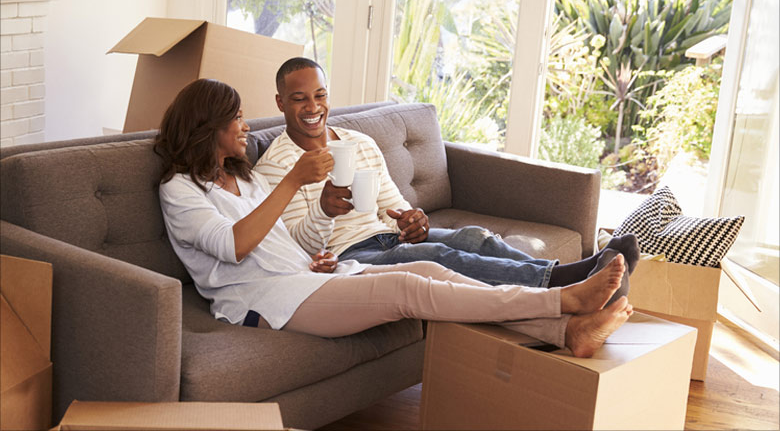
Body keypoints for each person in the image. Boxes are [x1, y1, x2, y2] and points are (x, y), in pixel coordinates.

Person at [154, 78, 633, 358]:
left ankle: (566, 331)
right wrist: (294, 182)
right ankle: (560, 301)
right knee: (409, 288)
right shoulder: (179, 190)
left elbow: (282, 239)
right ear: (206, 127)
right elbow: (234, 245)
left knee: (429, 269)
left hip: (305, 276)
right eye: (235, 117)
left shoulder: (243, 177)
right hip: (262, 300)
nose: (245, 125)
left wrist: (319, 237)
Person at [255, 57, 640, 297]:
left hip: (384, 236)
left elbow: (394, 205)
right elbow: (296, 246)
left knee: (472, 236)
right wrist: (324, 210)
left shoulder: (358, 142)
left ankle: (568, 276)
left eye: (319, 96)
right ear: (280, 103)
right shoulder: (276, 165)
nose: (312, 107)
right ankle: (565, 282)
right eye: (299, 98)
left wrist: (412, 220)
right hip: (349, 258)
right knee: (436, 255)